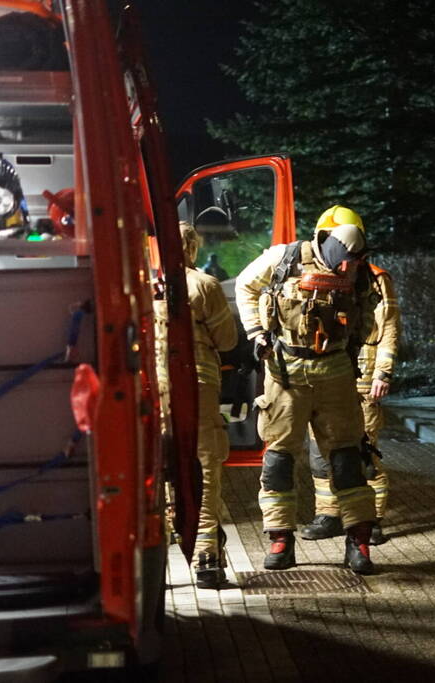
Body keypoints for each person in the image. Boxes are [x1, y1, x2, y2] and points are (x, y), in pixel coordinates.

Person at [235, 205, 379, 574]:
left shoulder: (359, 271)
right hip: (286, 374)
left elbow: (368, 318)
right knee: (280, 458)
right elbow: (245, 285)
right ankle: (281, 540)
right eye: (344, 260)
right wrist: (256, 332)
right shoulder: (283, 258)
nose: (347, 269)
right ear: (327, 243)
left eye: (353, 263)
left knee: (347, 456)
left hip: (334, 372)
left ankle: (359, 542)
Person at [302, 250, 401, 546]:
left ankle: (371, 520)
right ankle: (329, 515)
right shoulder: (316, 275)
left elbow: (390, 328)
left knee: (365, 451)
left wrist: (383, 372)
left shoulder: (376, 280)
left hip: (364, 378)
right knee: (321, 451)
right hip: (326, 376)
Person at [172, 223, 238, 589]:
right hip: (198, 383)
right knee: (206, 465)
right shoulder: (205, 285)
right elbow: (227, 341)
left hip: (153, 389)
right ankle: (206, 557)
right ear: (192, 249)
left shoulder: (141, 285)